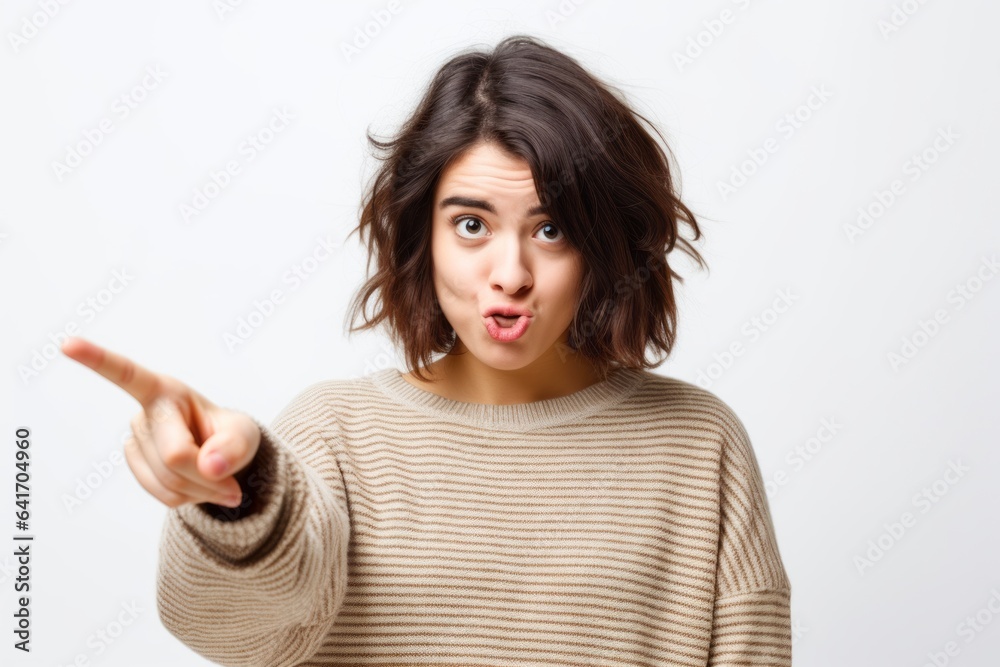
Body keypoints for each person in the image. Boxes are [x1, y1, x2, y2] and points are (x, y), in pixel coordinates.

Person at [62, 34, 791, 666]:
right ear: (424, 237)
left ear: (603, 244)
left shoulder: (700, 445)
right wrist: (240, 489)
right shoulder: (336, 435)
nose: (509, 274)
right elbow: (238, 633)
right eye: (471, 225)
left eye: (550, 229)